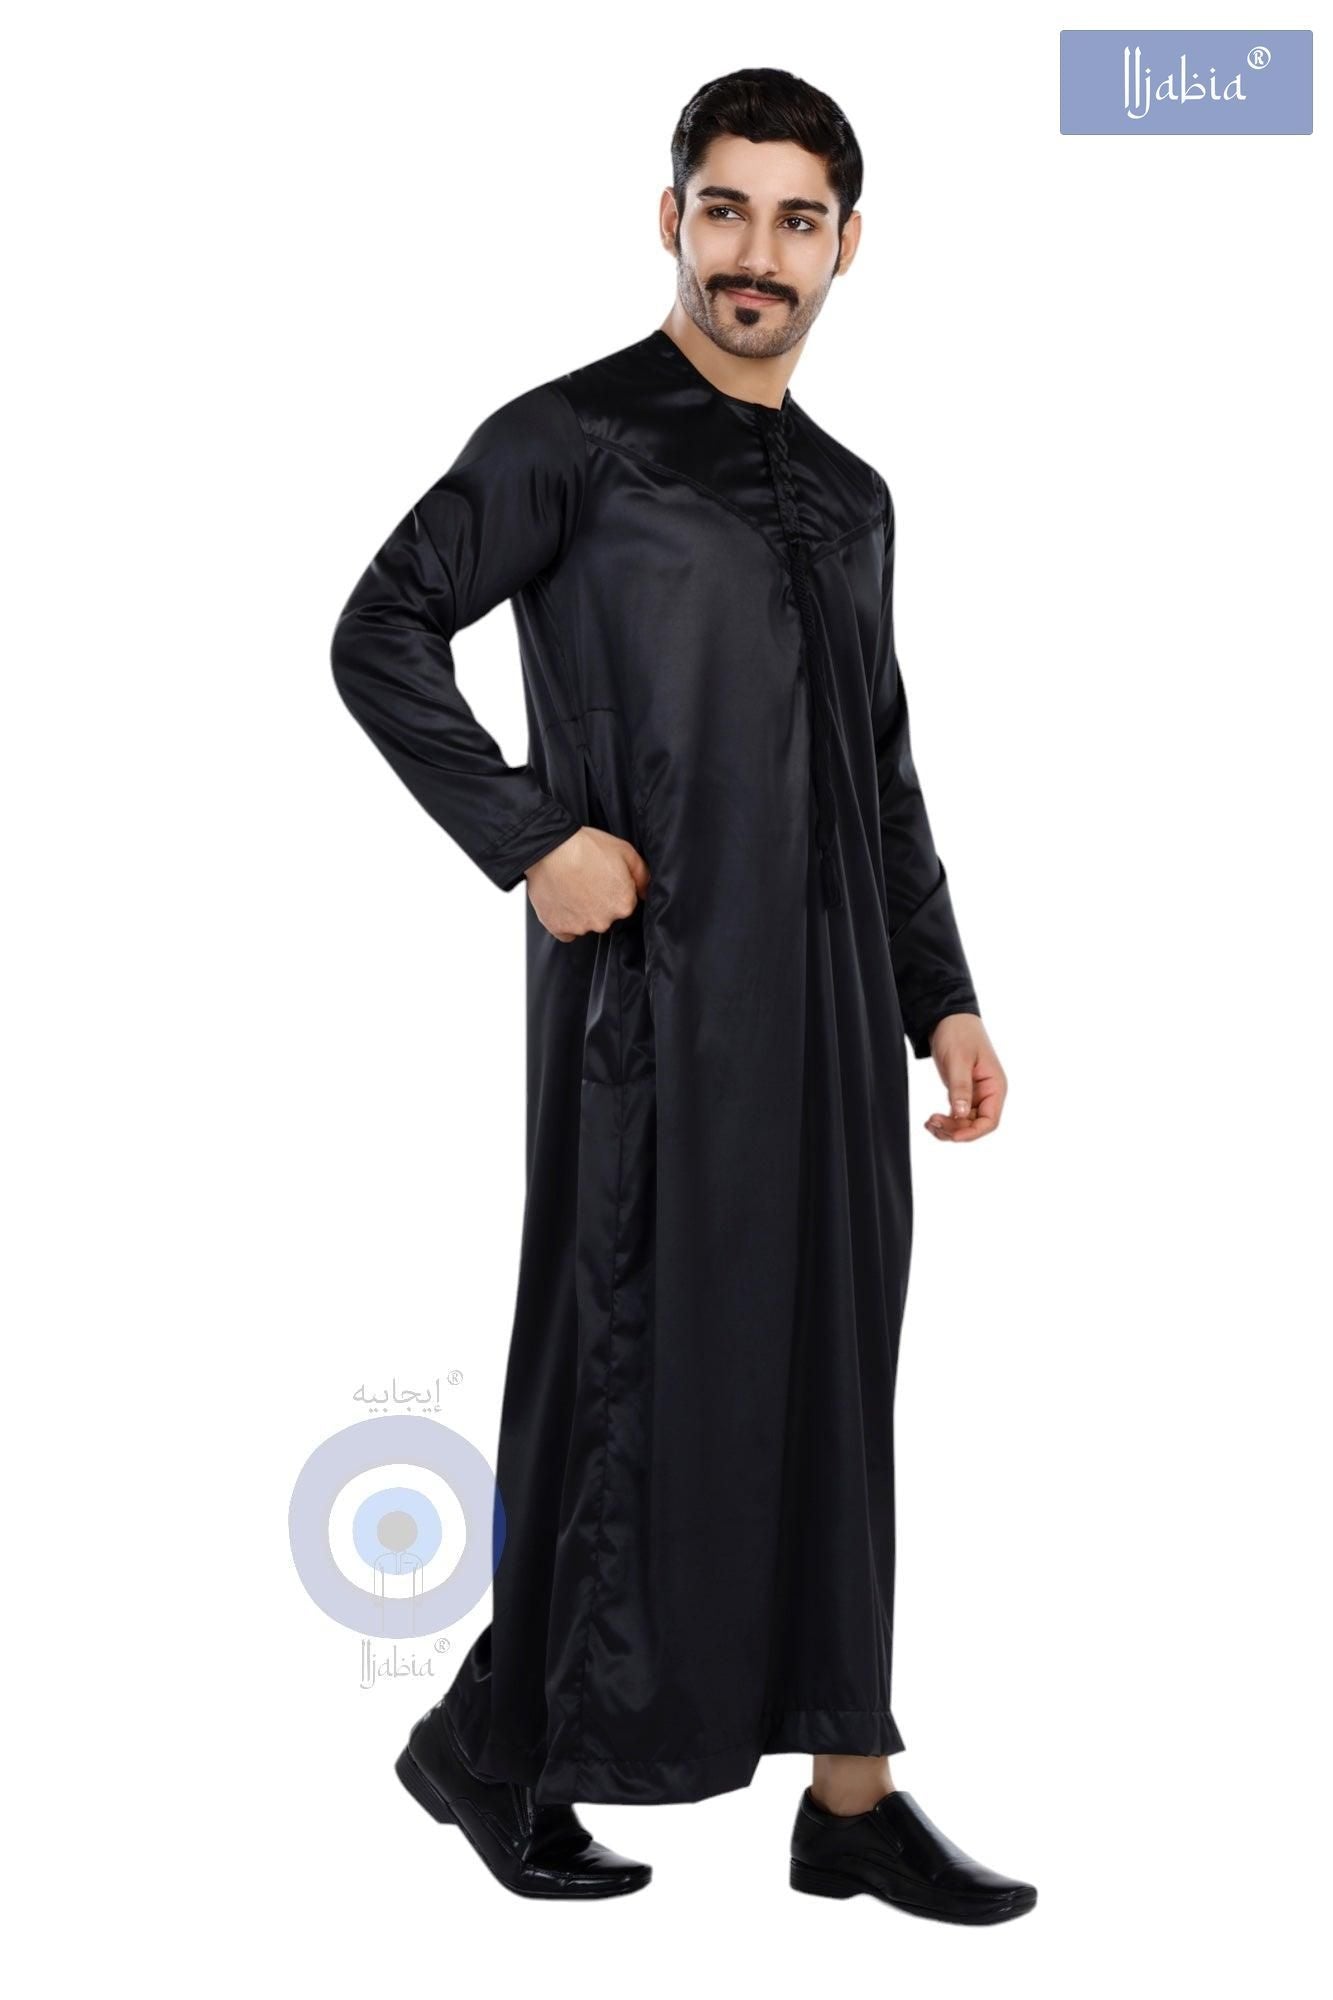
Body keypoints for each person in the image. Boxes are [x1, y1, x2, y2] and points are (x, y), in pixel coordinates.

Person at [330, 66, 1036, 1922]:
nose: (756, 255)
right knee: (634, 1374)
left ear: (846, 247)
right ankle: (499, 1746)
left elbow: (877, 770)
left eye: (797, 222)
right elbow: (379, 628)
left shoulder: (854, 499)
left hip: (831, 1023)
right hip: (649, 1007)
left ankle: (850, 1797)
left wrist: (942, 999)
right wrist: (529, 837)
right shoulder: (572, 437)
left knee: (829, 1387)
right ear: (671, 218)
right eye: (725, 210)